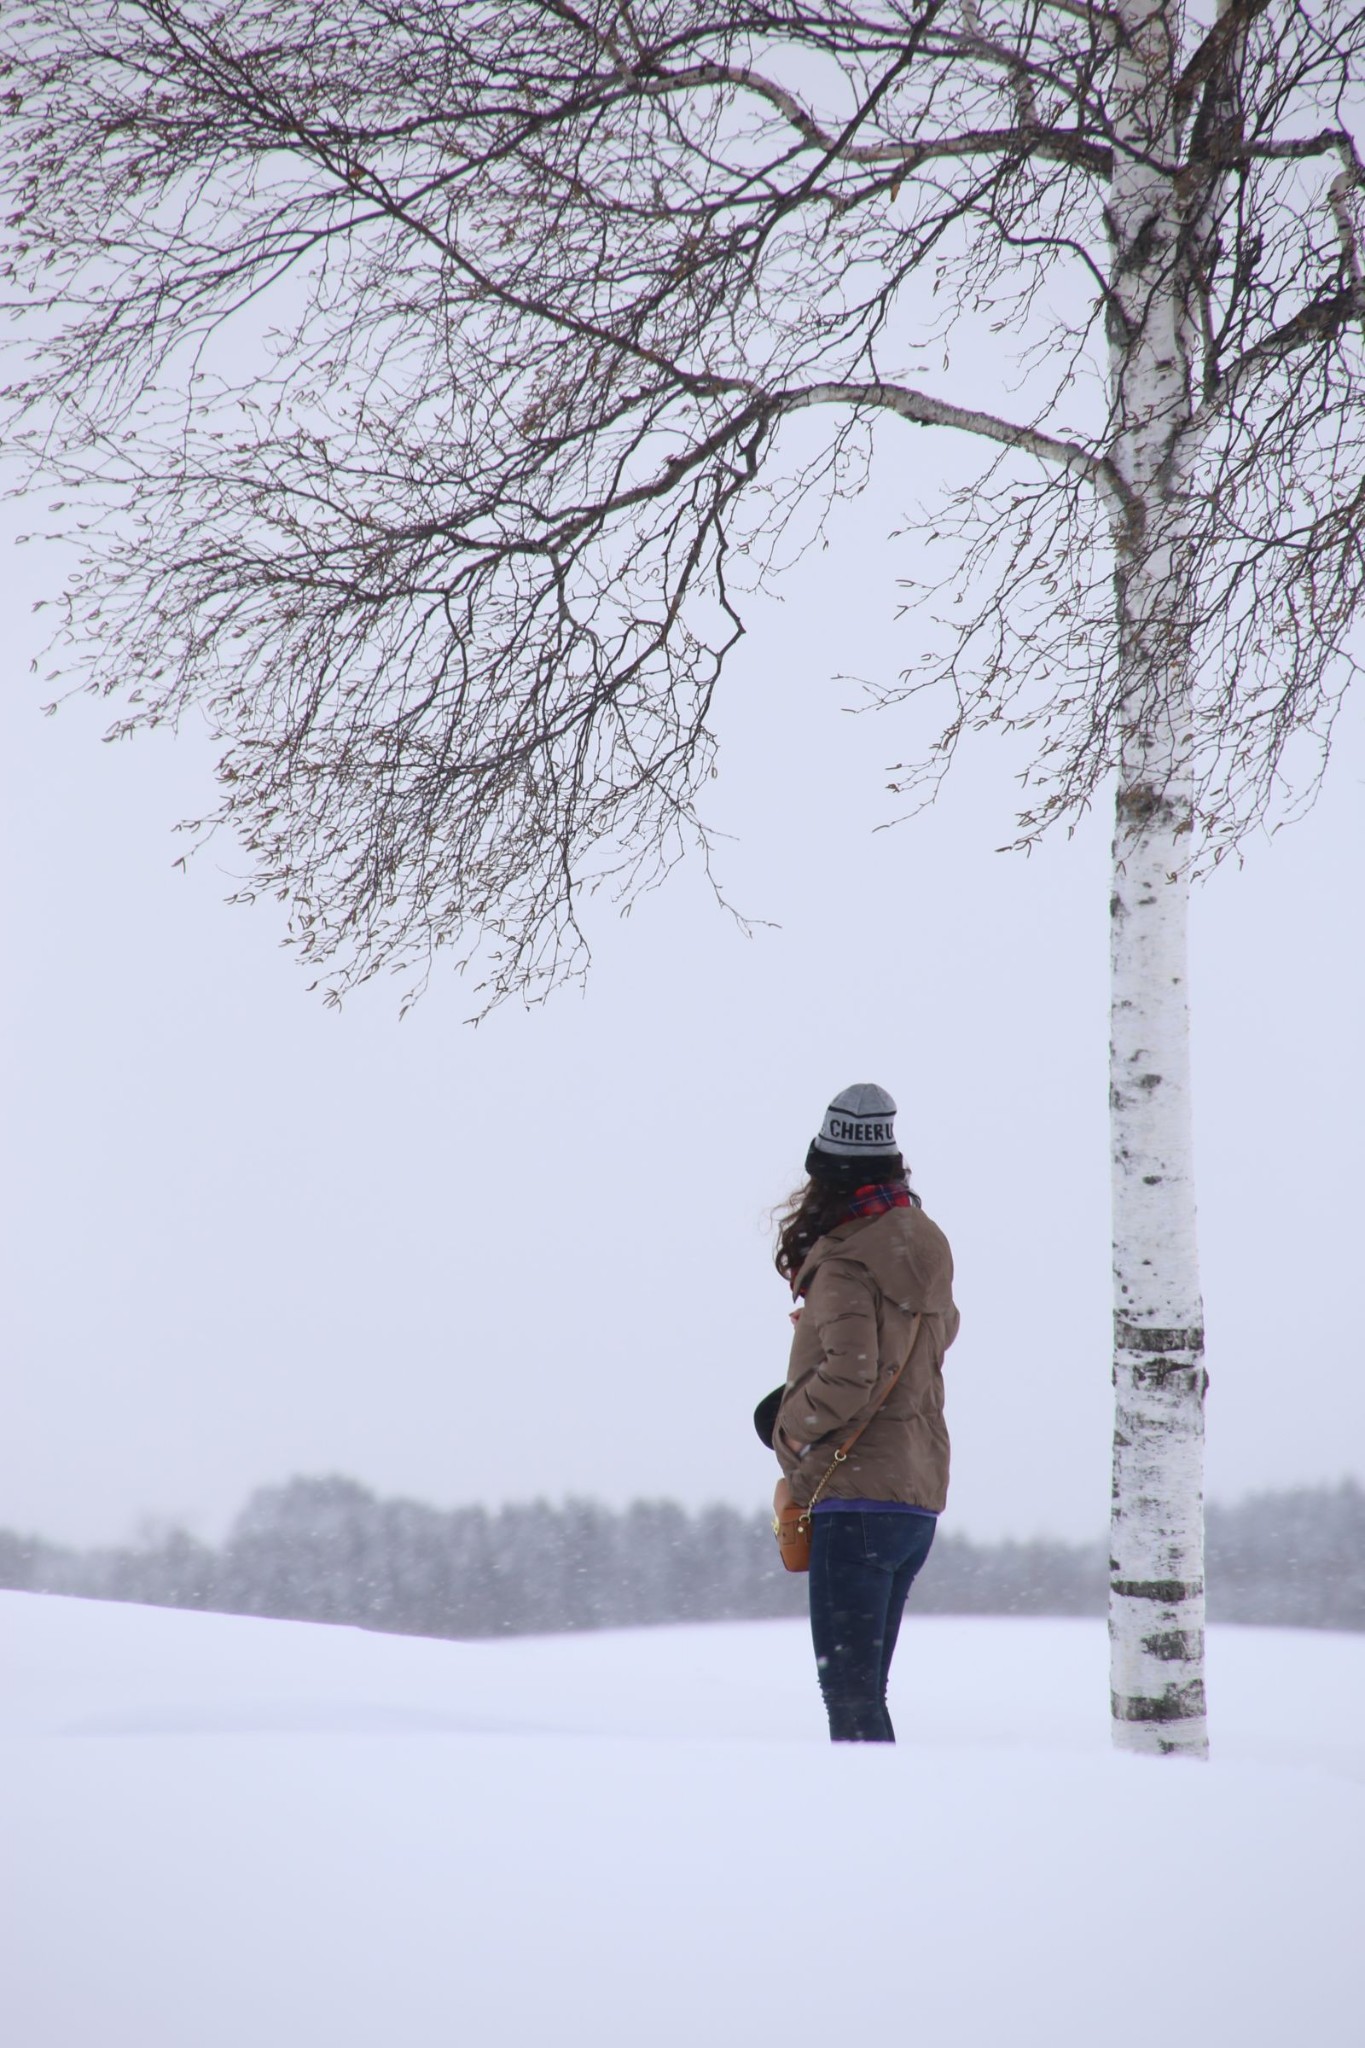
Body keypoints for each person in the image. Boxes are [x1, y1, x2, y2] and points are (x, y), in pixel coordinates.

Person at [771, 1083, 959, 1743]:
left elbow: (850, 1376)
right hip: (912, 1497)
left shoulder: (847, 1261)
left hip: (854, 1500)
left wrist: (785, 1422)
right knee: (864, 1692)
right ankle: (879, 1816)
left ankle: (871, 1822)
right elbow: (915, 1354)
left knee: (849, 1699)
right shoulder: (922, 1247)